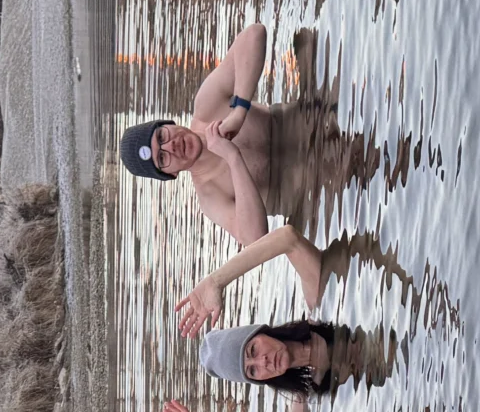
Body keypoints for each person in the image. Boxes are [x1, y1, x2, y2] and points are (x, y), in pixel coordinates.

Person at [162, 225, 397, 412]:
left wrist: (217, 281)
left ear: (261, 333)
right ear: (258, 380)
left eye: (252, 349)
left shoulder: (321, 303)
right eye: (252, 370)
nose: (262, 361)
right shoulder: (306, 399)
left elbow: (288, 238)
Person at [118, 25, 379, 247]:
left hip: (313, 122)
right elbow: (254, 237)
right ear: (171, 173)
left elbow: (255, 34)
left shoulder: (207, 106)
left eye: (162, 136)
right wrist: (233, 158)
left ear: (168, 123)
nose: (172, 145)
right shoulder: (210, 196)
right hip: (318, 186)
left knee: (308, 40)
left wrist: (239, 110)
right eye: (162, 158)